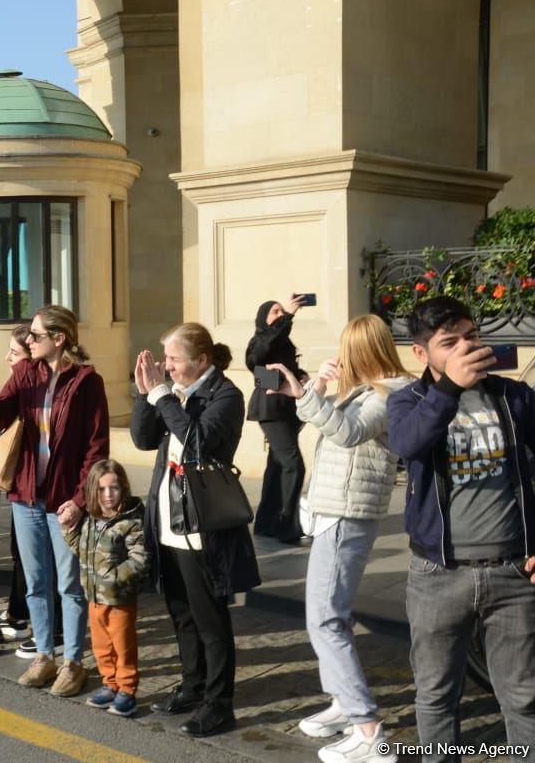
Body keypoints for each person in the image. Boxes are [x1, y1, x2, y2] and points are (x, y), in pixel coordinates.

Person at [388, 296, 535, 761]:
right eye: (448, 342)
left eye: (470, 336)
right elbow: (410, 444)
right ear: (421, 353)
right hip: (438, 575)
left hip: (513, 572)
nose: (465, 347)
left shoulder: (514, 396)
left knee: (524, 697)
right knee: (435, 696)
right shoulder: (406, 402)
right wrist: (448, 389)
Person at [264, 315, 409, 763]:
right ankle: (345, 703)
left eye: (347, 349)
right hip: (333, 511)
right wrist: (321, 393)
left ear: (363, 351)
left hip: (349, 514)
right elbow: (326, 431)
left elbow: (347, 433)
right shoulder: (365, 389)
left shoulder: (391, 392)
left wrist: (309, 397)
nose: (340, 356)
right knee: (327, 617)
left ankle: (368, 729)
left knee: (326, 619)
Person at [0, 305, 108, 698]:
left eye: (36, 335)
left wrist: (80, 500)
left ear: (59, 339)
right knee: (36, 583)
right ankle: (44, 655)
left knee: (70, 585)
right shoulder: (25, 373)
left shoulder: (86, 382)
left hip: (64, 502)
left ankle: (74, 662)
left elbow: (96, 450)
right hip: (26, 497)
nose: (28, 340)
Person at [130, 322, 258, 738]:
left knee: (210, 619)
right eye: (165, 359)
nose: (166, 367)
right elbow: (144, 439)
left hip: (203, 524)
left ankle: (220, 704)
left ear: (201, 360)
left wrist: (163, 397)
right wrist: (143, 395)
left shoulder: (225, 394)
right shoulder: (170, 392)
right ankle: (192, 685)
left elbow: (200, 442)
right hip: (168, 517)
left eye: (174, 360)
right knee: (181, 612)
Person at [61, 460, 148, 718]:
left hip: (119, 599)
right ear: (92, 492)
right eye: (101, 489)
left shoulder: (130, 522)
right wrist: (68, 530)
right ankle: (110, 684)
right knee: (101, 646)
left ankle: (127, 690)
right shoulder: (91, 520)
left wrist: (113, 578)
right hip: (94, 599)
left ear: (124, 489)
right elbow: (81, 550)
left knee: (123, 646)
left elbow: (140, 559)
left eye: (114, 488)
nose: (108, 495)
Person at [247, 296, 309, 543]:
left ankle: (266, 523)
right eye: (275, 312)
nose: (280, 314)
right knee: (294, 464)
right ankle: (287, 525)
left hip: (288, 410)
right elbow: (257, 371)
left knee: (277, 466)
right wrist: (288, 317)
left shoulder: (281, 341)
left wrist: (299, 376)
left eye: (282, 311)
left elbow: (277, 372)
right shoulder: (260, 340)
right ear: (264, 318)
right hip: (271, 410)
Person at [0, 323, 34, 647]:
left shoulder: (30, 387)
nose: (8, 357)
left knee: (32, 559)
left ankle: (24, 617)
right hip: (20, 483)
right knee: (18, 551)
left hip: (38, 487)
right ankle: (17, 610)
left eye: (15, 352)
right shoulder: (15, 383)